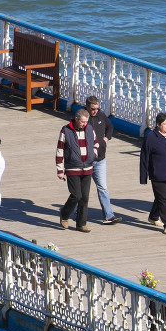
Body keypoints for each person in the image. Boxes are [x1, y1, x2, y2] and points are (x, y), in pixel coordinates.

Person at [56, 108, 97, 233]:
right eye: (83, 122)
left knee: (84, 197)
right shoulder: (66, 130)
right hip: (72, 167)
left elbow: (96, 143)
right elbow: (60, 150)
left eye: (86, 122)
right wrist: (60, 169)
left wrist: (93, 154)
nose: (85, 124)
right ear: (76, 119)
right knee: (76, 195)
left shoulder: (90, 128)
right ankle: (64, 213)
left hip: (88, 168)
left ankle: (81, 223)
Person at [85, 96, 121, 225]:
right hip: (85, 161)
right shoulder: (82, 118)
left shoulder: (101, 116)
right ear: (87, 107)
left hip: (100, 159)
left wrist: (107, 138)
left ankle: (109, 216)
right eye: (93, 109)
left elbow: (110, 127)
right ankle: (75, 212)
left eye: (97, 108)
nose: (95, 111)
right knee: (82, 190)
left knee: (103, 188)